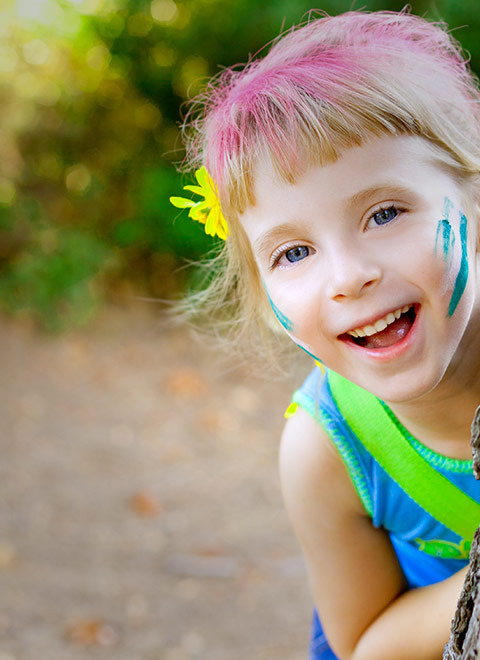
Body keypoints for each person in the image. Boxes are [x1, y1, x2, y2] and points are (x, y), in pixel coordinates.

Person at [170, 9, 480, 659]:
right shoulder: (327, 447)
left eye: (384, 213)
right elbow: (364, 644)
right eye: (293, 253)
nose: (346, 278)